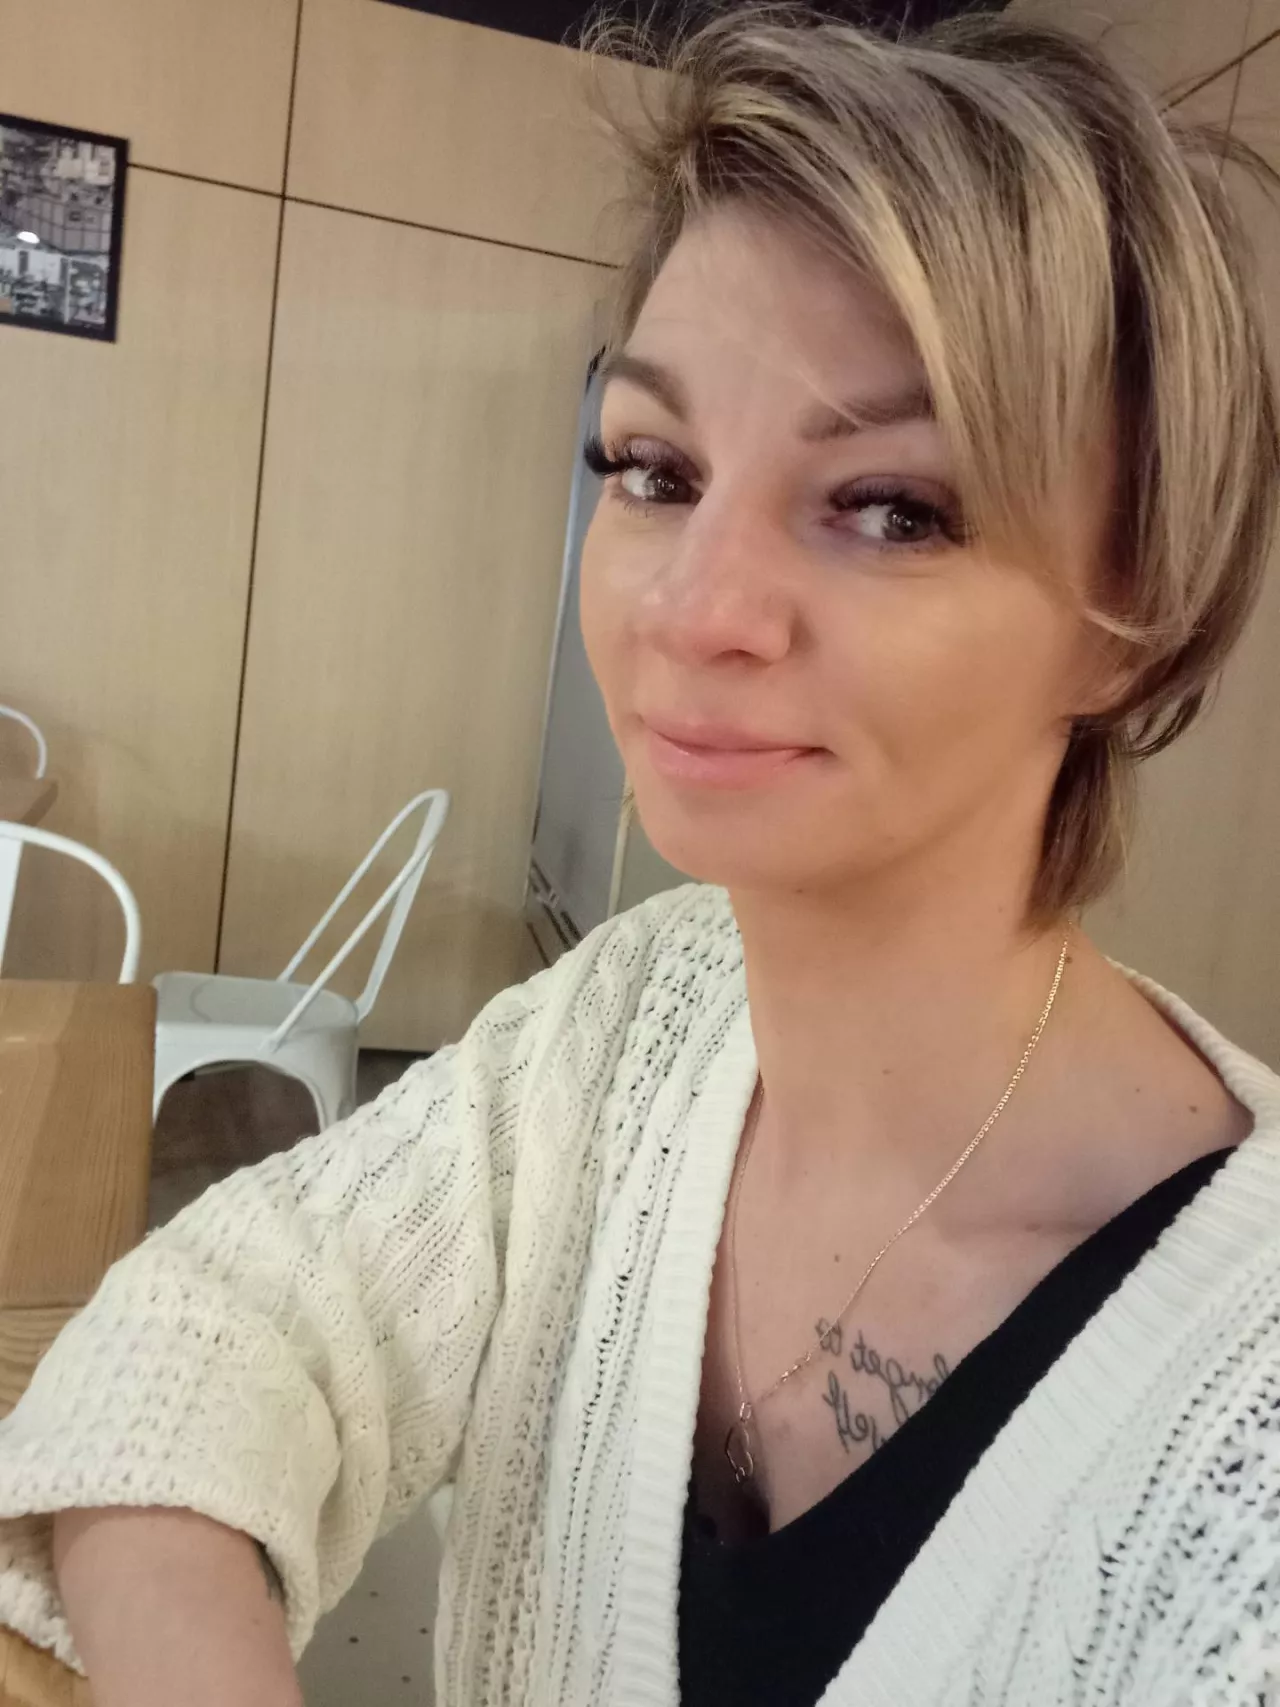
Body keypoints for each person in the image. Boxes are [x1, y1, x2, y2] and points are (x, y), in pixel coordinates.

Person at [2, 9, 1279, 1705]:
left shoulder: (1235, 1450)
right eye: (655, 469)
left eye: (891, 505)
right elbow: (219, 1316)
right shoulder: (630, 1019)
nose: (690, 607)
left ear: (1138, 616)